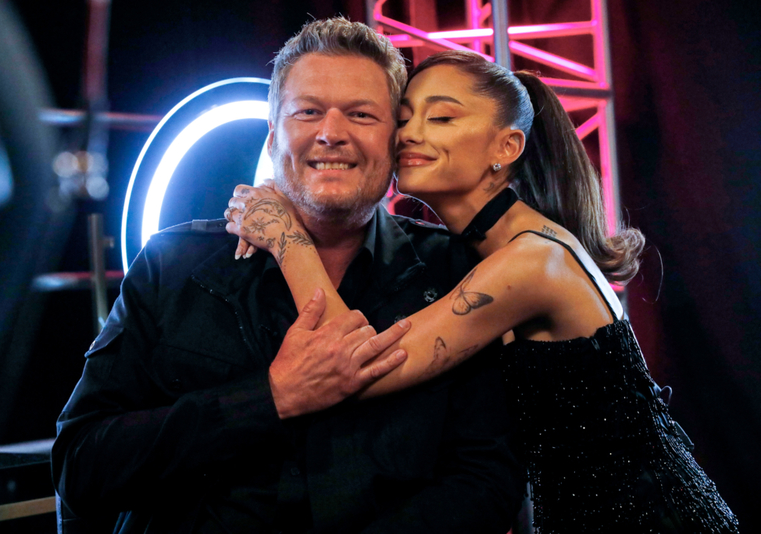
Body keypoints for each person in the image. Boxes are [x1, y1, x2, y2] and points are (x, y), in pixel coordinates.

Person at [226, 51, 740, 532]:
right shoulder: (495, 252)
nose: (410, 134)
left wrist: (286, 236)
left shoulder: (530, 261)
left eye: (442, 118)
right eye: (404, 118)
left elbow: (353, 364)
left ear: (507, 147)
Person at [52, 20, 525, 534]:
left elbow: (487, 482)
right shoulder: (173, 263)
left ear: (396, 144)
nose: (331, 133)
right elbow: (80, 467)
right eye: (309, 111)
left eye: (361, 115)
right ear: (275, 137)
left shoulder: (457, 273)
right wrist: (270, 397)